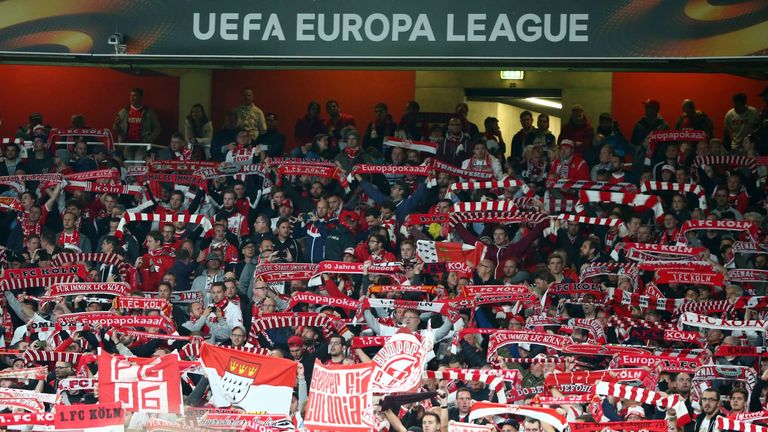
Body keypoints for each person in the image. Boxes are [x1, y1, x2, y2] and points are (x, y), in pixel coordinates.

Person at [113, 87, 162, 161]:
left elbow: (157, 128)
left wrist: (149, 139)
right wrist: (116, 125)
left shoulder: (149, 112)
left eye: (134, 95)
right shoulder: (124, 112)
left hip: (142, 144)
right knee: (127, 165)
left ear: (141, 97)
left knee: (139, 165)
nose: (132, 98)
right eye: (130, 96)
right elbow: (116, 129)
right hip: (127, 143)